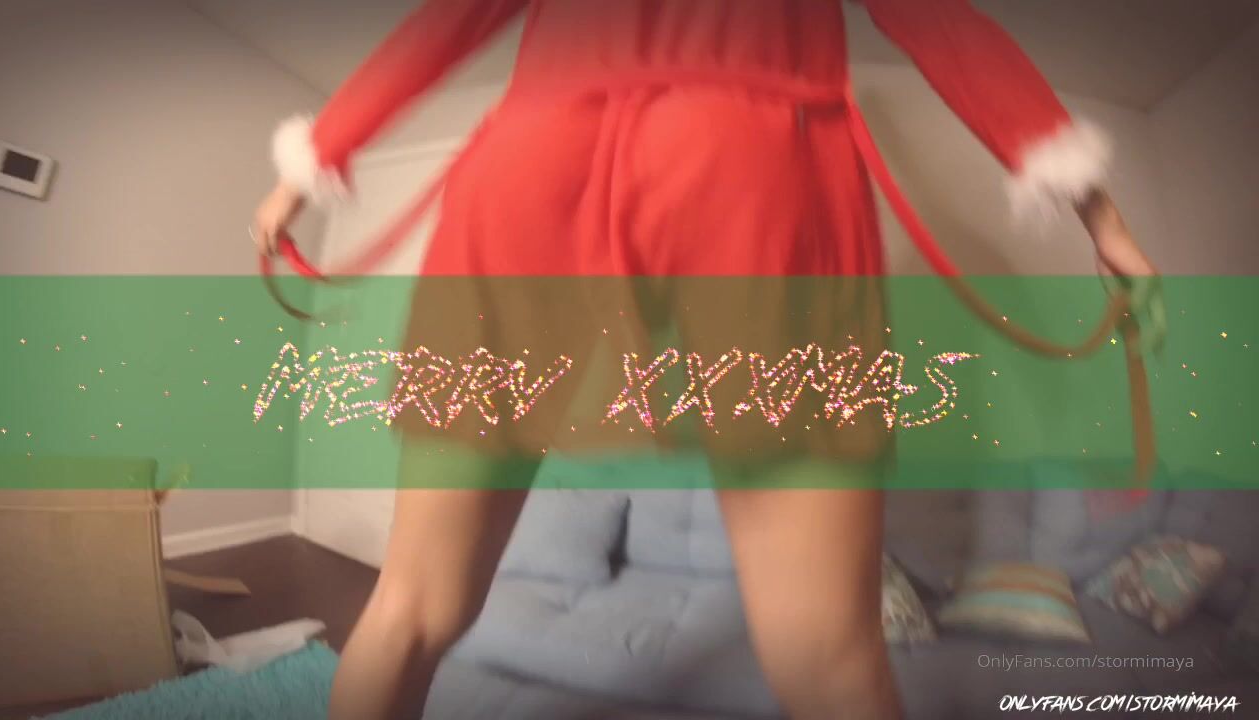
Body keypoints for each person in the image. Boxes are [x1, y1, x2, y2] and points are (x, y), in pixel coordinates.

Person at [252, 1, 1158, 718]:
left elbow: (453, 15)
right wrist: (1101, 215)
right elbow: (937, 17)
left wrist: (308, 165)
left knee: (412, 606)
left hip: (538, 157)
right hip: (757, 161)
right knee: (829, 656)